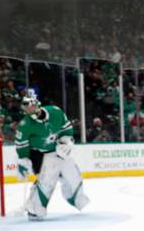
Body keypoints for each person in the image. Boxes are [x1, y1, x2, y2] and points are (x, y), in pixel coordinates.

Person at [14, 90, 89, 220]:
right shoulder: (24, 125)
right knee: (47, 181)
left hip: (60, 150)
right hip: (42, 154)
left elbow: (67, 129)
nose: (28, 109)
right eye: (25, 106)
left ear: (37, 104)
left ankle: (75, 199)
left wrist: (67, 141)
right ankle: (34, 209)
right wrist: (24, 160)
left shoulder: (55, 111)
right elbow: (22, 146)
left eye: (30, 105)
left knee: (74, 176)